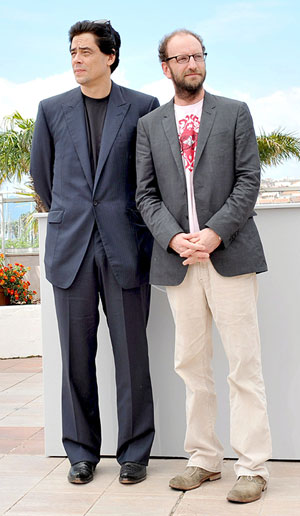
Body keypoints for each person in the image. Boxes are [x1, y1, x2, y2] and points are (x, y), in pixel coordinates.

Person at [136, 29, 272, 504]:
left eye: (197, 55)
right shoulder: (150, 125)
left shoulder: (234, 112)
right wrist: (176, 239)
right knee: (191, 365)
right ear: (165, 66)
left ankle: (252, 467)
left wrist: (214, 234)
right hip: (179, 261)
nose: (192, 63)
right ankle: (203, 460)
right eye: (182, 57)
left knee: (243, 366)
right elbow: (145, 194)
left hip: (229, 255)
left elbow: (249, 179)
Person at [30, 19, 159, 486]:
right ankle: (81, 452)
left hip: (126, 245)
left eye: (85, 51)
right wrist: (73, 212)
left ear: (110, 56)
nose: (77, 60)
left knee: (132, 357)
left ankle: (135, 453)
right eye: (72, 52)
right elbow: (42, 177)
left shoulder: (143, 107)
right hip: (71, 249)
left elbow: (149, 177)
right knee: (75, 358)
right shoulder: (51, 109)